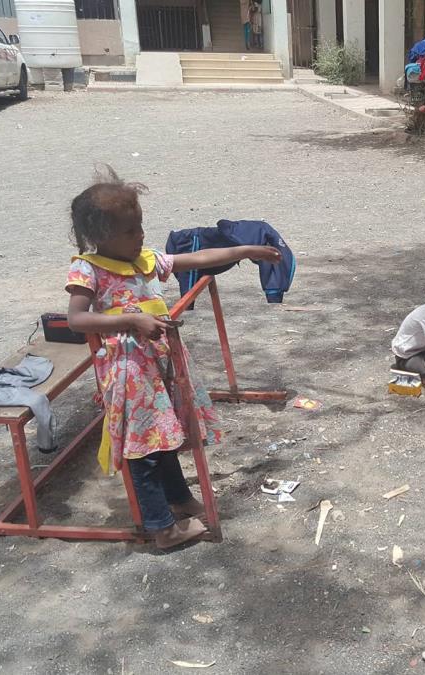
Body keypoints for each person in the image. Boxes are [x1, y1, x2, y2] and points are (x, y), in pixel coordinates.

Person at [65, 167, 281, 549]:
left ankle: (179, 499)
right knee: (143, 449)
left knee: (163, 437)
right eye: (130, 231)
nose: (140, 236)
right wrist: (131, 320)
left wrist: (246, 251)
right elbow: (76, 320)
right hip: (128, 373)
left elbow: (197, 258)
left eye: (140, 226)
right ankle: (161, 527)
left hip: (157, 366)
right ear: (100, 237)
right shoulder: (88, 269)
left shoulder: (142, 260)